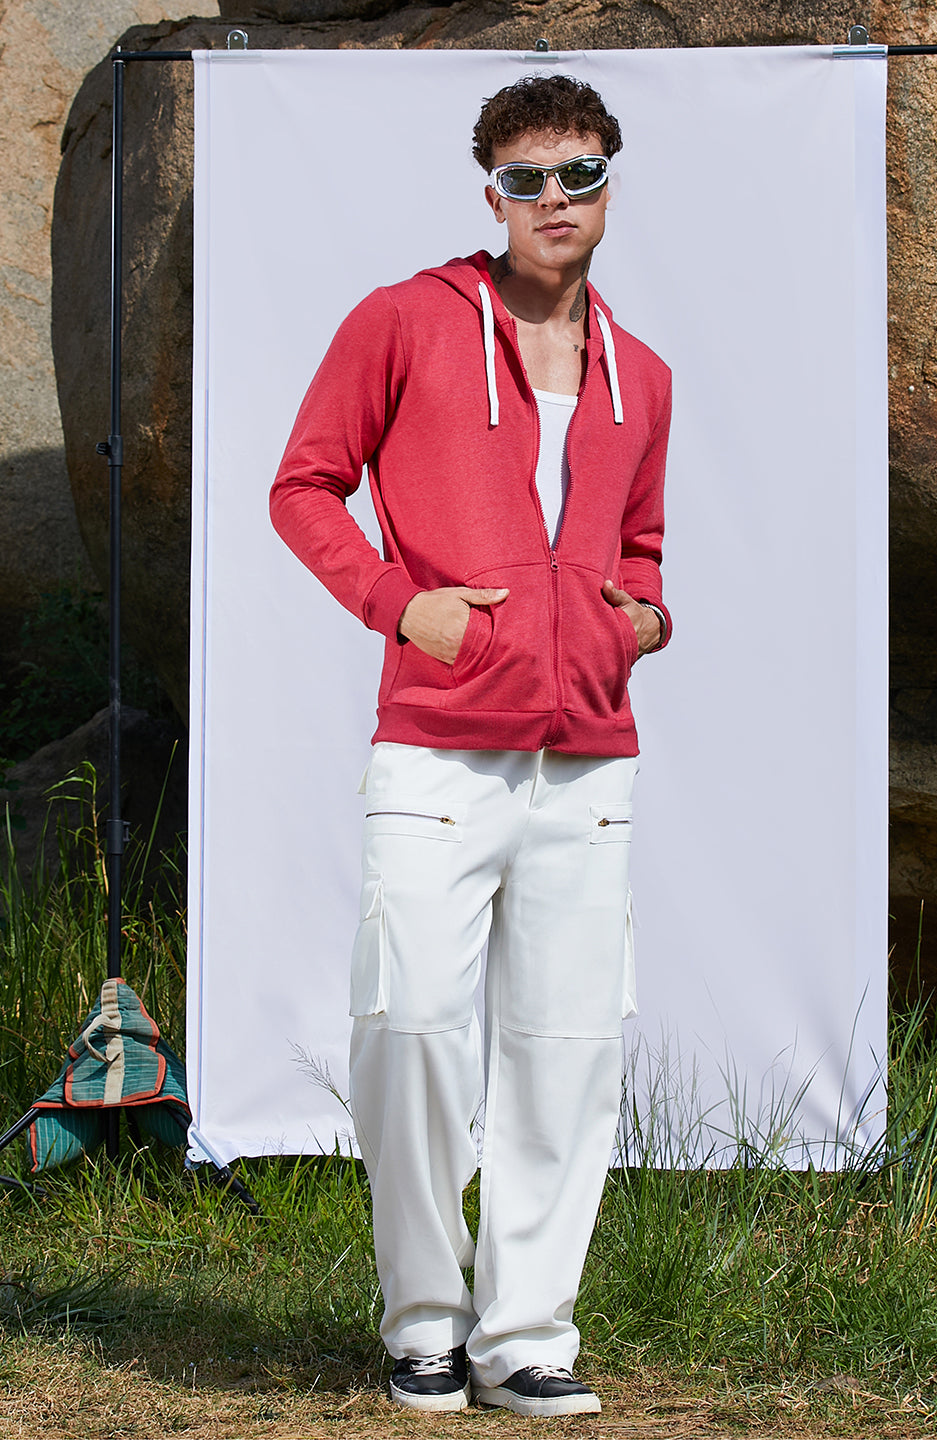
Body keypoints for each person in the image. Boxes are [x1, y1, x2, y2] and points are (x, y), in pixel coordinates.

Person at [269, 73, 672, 1418]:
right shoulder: (402, 322)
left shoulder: (643, 376)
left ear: (609, 182)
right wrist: (402, 606)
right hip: (439, 754)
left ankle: (525, 1337)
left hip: (589, 765)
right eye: (525, 179)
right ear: (490, 193)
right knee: (414, 1035)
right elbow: (302, 486)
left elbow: (641, 547)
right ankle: (426, 1322)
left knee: (569, 1050)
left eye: (578, 174)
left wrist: (640, 620)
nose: (554, 199)